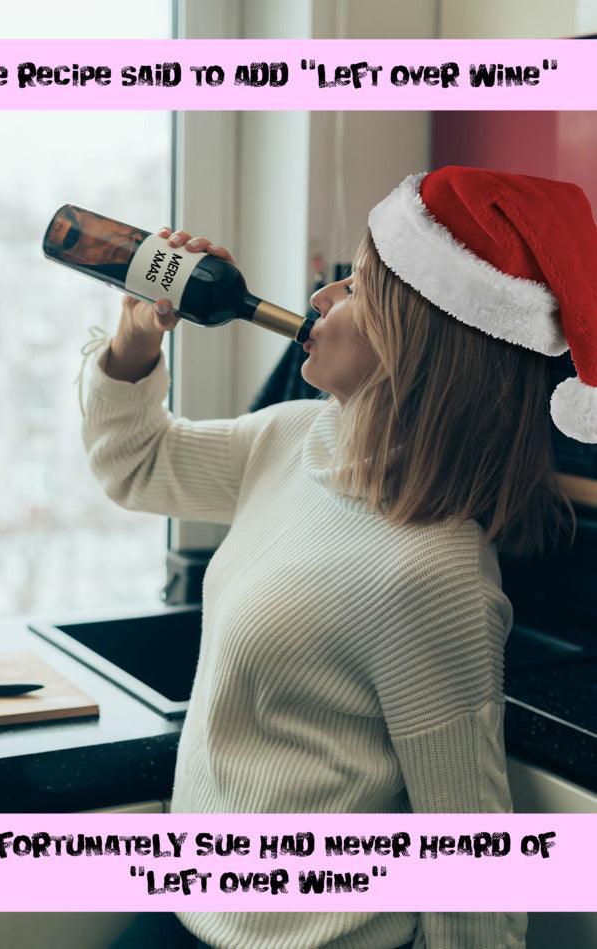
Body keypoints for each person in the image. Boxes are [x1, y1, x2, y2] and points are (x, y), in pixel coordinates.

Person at [79, 164, 597, 948]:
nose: (320, 298)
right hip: (188, 910)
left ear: (417, 341)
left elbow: (472, 862)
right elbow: (137, 463)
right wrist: (134, 338)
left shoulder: (435, 577)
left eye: (355, 286)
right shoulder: (294, 438)